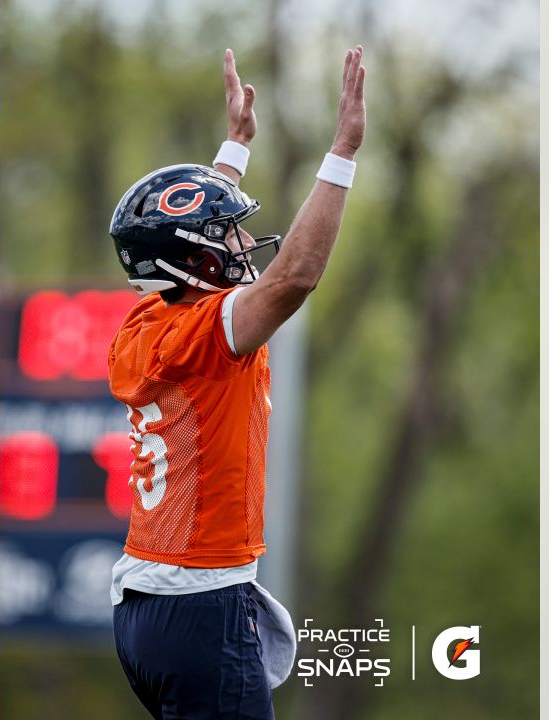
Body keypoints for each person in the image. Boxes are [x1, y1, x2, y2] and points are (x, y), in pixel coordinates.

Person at [106, 44, 367, 719]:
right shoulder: (207, 336)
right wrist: (342, 152)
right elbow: (297, 278)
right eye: (226, 237)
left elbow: (175, 239)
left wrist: (234, 148)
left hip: (143, 609)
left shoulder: (147, 315)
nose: (241, 246)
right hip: (199, 606)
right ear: (192, 261)